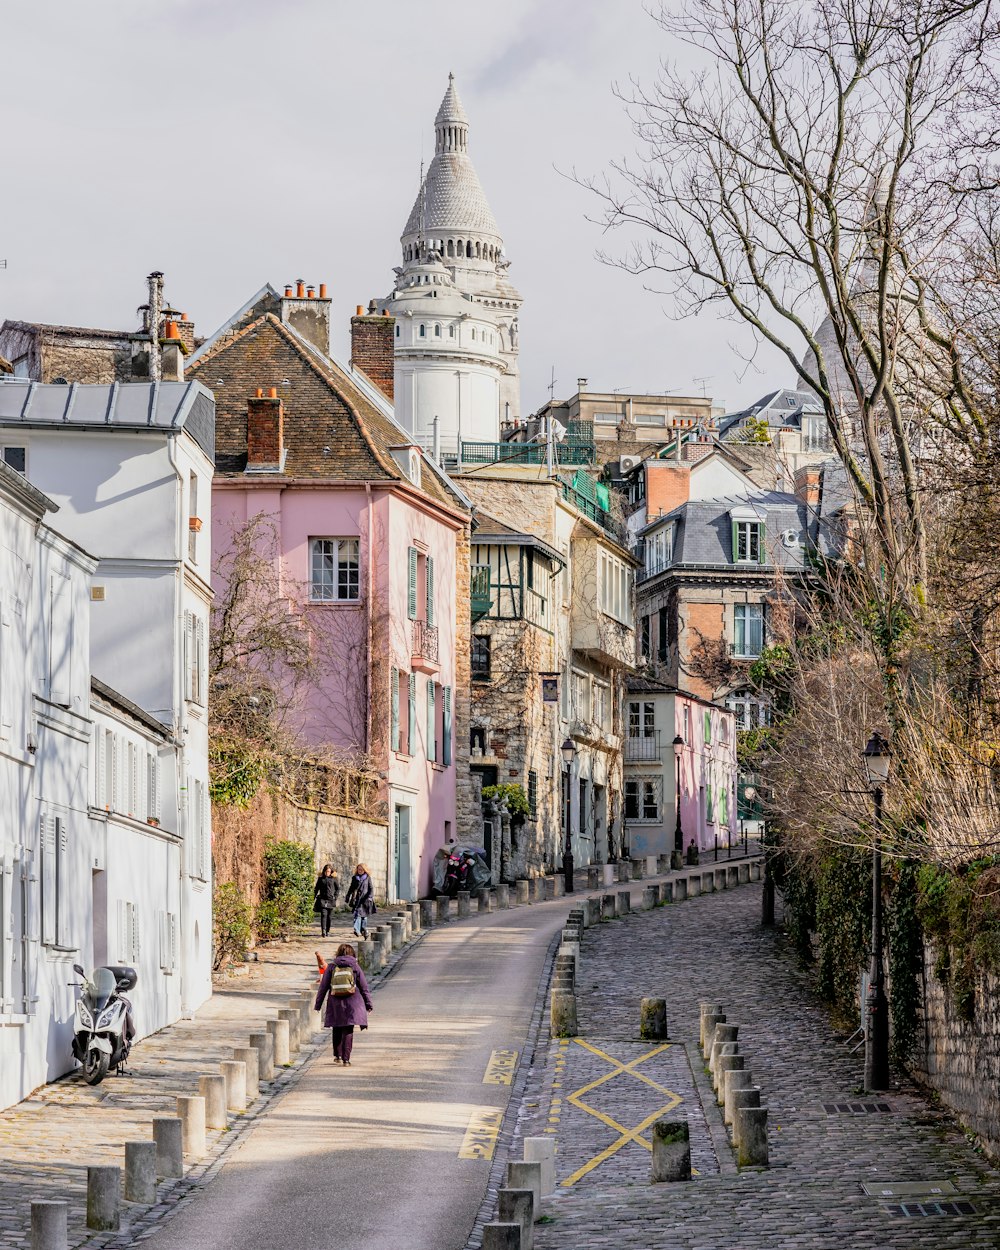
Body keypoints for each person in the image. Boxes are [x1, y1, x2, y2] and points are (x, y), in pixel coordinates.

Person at [313, 942, 373, 1065]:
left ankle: (337, 1055)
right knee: (348, 1029)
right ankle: (346, 1059)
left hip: (335, 1002)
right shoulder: (355, 966)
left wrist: (318, 1005)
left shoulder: (331, 966)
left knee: (337, 1027)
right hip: (352, 1003)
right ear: (352, 954)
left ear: (338, 953)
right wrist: (368, 1004)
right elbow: (364, 987)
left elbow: (323, 987)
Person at [345, 863, 376, 938]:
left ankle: (363, 929)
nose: (360, 871)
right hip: (357, 899)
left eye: (361, 869)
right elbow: (351, 888)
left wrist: (370, 897)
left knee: (364, 916)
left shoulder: (367, 878)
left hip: (365, 900)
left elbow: (371, 888)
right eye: (358, 869)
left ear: (364, 870)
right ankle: (357, 930)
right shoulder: (354, 878)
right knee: (357, 914)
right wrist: (348, 896)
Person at [313, 864, 340, 938]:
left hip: (331, 900)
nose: (327, 873)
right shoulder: (321, 879)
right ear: (324, 871)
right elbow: (316, 888)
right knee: (323, 915)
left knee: (329, 917)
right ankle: (323, 931)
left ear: (331, 872)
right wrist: (313, 897)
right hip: (322, 899)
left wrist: (335, 897)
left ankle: (327, 930)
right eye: (326, 871)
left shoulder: (334, 879)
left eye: (329, 871)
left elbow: (337, 889)